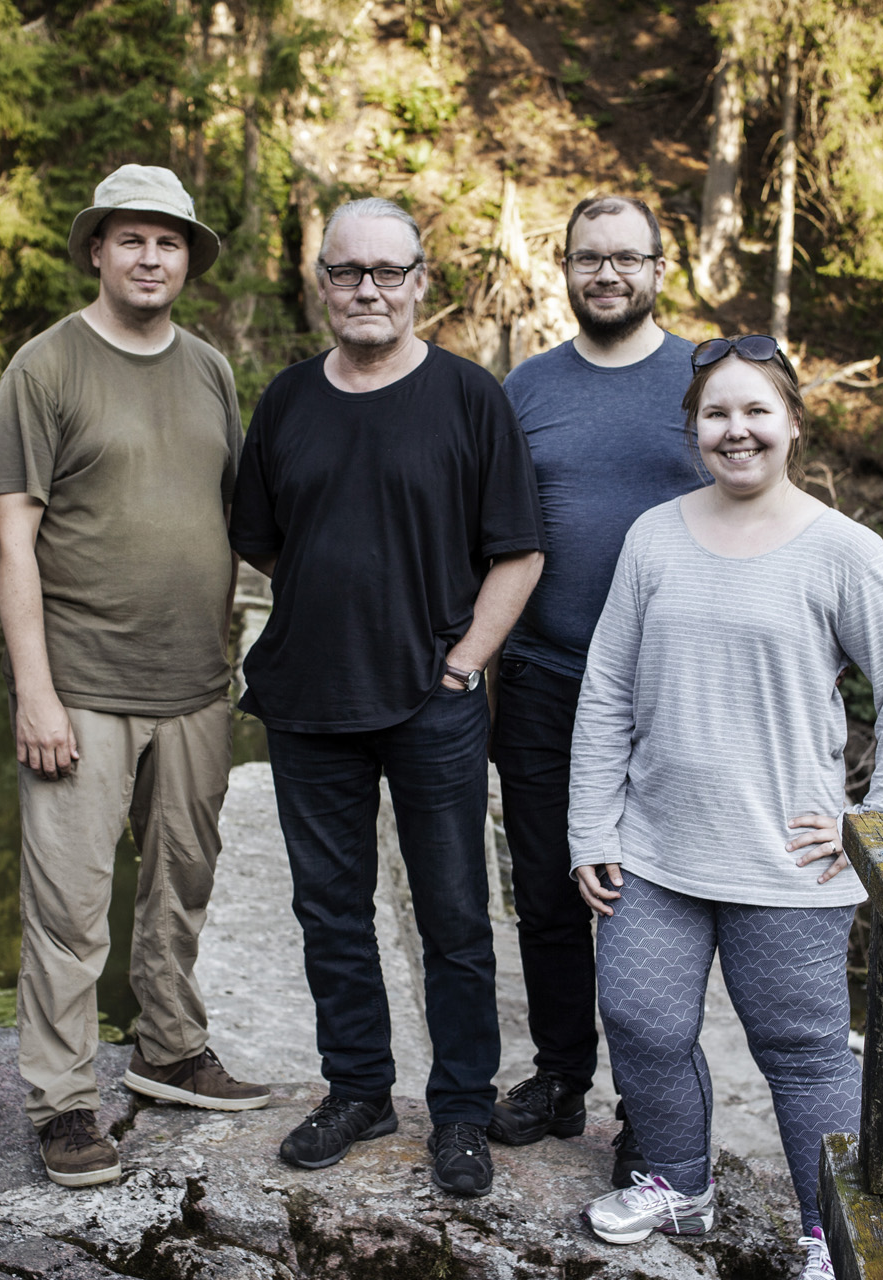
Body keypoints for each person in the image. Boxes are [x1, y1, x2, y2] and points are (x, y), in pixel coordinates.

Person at [567, 336, 883, 1278]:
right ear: (694, 428)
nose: (736, 431)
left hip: (788, 858)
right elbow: (607, 689)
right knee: (642, 1023)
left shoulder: (841, 549)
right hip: (654, 846)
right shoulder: (653, 536)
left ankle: (830, 1233)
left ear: (793, 424)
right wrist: (592, 825)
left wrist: (875, 823)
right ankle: (677, 1184)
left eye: (756, 411)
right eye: (716, 414)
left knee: (802, 1052)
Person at [229, 197, 545, 1198]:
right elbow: (263, 538)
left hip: (432, 704)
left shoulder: (469, 397)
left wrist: (463, 663)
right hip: (307, 699)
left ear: (419, 283)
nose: (368, 288)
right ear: (322, 282)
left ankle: (461, 1109)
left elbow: (519, 551)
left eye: (388, 271)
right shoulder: (287, 399)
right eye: (348, 271)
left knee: (455, 916)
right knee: (330, 911)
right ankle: (359, 1088)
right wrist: (339, 601)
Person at [0, 164, 269, 1191]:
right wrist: (36, 692)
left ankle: (169, 1046)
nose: (152, 257)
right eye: (132, 239)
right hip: (82, 688)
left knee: (182, 879)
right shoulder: (45, 368)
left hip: (195, 683)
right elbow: (10, 538)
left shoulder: (210, 369)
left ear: (188, 259)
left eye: (170, 241)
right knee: (69, 908)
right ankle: (62, 1102)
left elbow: (234, 517)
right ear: (98, 250)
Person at [489, 195, 703, 1185]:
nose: (606, 273)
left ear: (659, 268)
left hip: (673, 688)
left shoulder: (705, 379)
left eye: (625, 257)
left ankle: (652, 1107)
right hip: (543, 677)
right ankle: (561, 1075)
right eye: (587, 258)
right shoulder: (527, 387)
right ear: (565, 269)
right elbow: (490, 531)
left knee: (653, 899)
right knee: (546, 891)